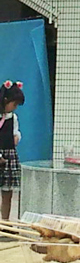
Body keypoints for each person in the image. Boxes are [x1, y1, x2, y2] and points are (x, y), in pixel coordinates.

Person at [0, 80, 25, 220]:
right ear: (5, 100)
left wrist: (16, 137)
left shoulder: (13, 117)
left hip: (9, 155)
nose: (15, 108)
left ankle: (5, 222)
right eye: (14, 104)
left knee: (7, 193)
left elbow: (16, 132)